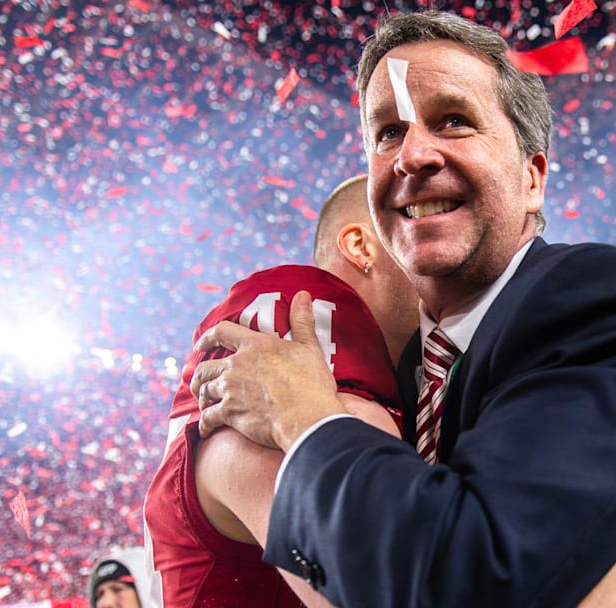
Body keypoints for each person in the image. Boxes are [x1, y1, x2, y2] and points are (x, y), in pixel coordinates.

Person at [191, 11, 616, 608]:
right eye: (387, 133)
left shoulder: (591, 295)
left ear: (532, 178)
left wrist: (307, 420)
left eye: (454, 121)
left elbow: (472, 580)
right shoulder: (408, 367)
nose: (412, 155)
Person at [142, 175, 417, 607]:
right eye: (415, 218)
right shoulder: (306, 324)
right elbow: (386, 582)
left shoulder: (410, 372)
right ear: (362, 247)